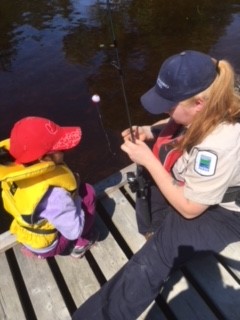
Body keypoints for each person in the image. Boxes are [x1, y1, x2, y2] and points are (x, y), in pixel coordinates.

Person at [71, 50, 240, 319]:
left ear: (199, 104)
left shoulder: (219, 146)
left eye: (170, 105)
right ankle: (156, 228)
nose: (165, 110)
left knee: (161, 252)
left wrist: (149, 160)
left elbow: (189, 209)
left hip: (225, 213)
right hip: (198, 186)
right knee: (152, 161)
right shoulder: (213, 95)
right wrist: (151, 131)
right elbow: (179, 122)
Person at [0, 116, 98, 259]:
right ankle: (79, 245)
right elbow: (73, 230)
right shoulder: (54, 196)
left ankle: (34, 250)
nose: (65, 149)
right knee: (88, 193)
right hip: (49, 245)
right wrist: (75, 197)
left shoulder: (12, 174)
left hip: (27, 234)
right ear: (44, 159)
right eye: (60, 149)